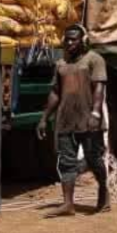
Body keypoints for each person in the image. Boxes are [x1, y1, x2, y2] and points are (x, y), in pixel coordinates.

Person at [37, 24, 110, 217]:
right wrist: (44, 118)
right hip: (65, 120)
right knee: (66, 162)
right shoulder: (61, 64)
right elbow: (55, 93)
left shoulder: (95, 60)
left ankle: (103, 191)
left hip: (88, 120)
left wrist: (95, 114)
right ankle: (68, 204)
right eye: (66, 39)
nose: (69, 42)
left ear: (83, 41)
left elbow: (99, 89)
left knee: (94, 159)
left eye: (73, 39)